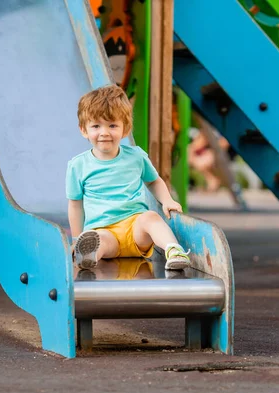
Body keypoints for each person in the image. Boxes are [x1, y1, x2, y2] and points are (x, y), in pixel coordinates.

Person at [66, 85, 191, 270]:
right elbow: (75, 205)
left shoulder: (136, 157)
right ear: (84, 130)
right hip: (104, 231)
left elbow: (153, 181)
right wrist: (77, 240)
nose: (104, 132)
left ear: (125, 129)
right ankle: (88, 254)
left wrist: (167, 200)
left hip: (135, 228)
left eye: (112, 125)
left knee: (150, 217)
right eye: (96, 126)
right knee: (98, 240)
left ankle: (174, 251)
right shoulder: (78, 165)